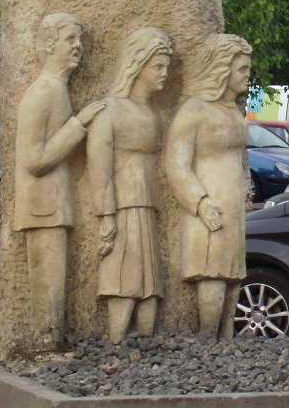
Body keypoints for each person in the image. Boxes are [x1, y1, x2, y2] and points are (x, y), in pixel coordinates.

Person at [14, 12, 105, 351]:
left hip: (52, 204)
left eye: (79, 39)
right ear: (50, 44)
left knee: (55, 280)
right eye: (71, 39)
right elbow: (34, 161)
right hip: (41, 207)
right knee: (47, 281)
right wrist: (78, 124)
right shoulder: (42, 93)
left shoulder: (57, 90)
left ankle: (51, 341)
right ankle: (44, 345)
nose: (78, 46)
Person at [87, 27, 173, 344]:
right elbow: (99, 168)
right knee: (123, 276)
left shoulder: (151, 114)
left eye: (167, 67)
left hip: (147, 205)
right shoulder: (109, 111)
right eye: (158, 66)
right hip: (122, 206)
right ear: (138, 64)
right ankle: (116, 339)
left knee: (150, 281)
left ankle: (146, 341)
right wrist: (106, 214)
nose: (164, 74)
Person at [165, 33, 252, 338]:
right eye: (241, 69)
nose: (247, 75)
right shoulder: (195, 110)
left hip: (233, 207)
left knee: (232, 275)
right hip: (209, 207)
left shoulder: (235, 111)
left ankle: (225, 340)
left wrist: (246, 190)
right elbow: (176, 164)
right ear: (222, 69)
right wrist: (200, 202)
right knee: (212, 272)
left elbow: (242, 158)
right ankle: (206, 338)